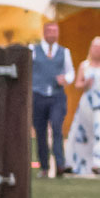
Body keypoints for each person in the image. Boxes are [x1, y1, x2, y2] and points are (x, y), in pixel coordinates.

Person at [28, 21, 75, 180]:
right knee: (40, 132)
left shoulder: (64, 52)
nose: (52, 34)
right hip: (38, 95)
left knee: (57, 128)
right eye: (50, 31)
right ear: (44, 32)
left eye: (55, 31)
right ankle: (44, 166)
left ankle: (60, 164)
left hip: (56, 95)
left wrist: (66, 79)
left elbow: (70, 72)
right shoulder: (33, 50)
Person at [65, 37, 100, 176]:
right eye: (94, 46)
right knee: (83, 133)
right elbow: (77, 85)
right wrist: (85, 83)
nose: (97, 49)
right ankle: (80, 164)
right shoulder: (85, 65)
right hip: (87, 103)